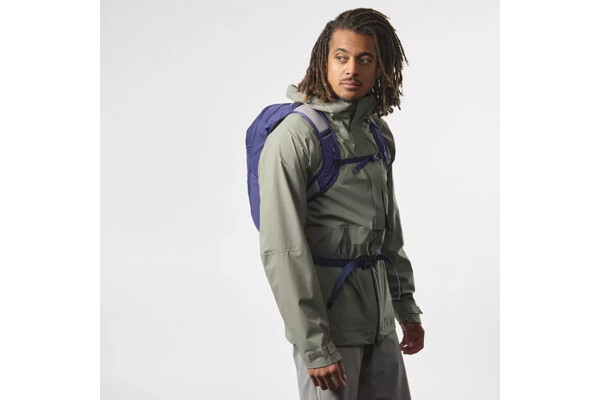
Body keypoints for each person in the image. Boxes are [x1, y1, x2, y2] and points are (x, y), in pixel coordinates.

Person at [257, 8, 424, 400]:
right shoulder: (295, 138)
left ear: (380, 67)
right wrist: (315, 345)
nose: (352, 69)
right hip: (330, 329)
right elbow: (283, 249)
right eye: (341, 57)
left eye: (365, 59)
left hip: (380, 323)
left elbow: (389, 232)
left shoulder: (376, 132)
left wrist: (406, 308)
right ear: (324, 61)